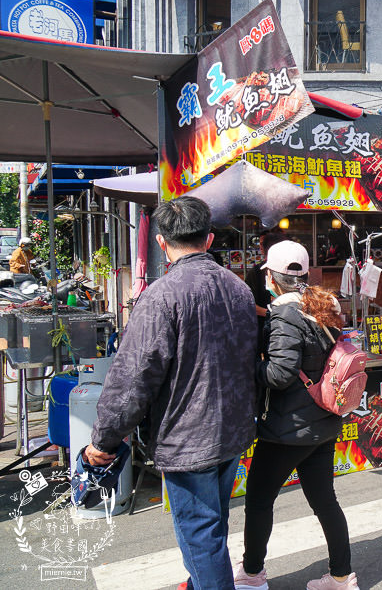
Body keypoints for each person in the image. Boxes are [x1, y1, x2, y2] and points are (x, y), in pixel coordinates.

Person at [84, 197, 257, 590]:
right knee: (212, 524)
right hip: (231, 429)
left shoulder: (162, 295)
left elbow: (132, 378)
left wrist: (104, 439)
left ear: (162, 243)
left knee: (201, 532)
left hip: (187, 437)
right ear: (208, 238)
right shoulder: (239, 289)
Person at [236, 240, 359, 590]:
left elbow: (280, 373)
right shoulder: (322, 305)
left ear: (271, 278)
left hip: (287, 429)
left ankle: (252, 574)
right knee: (325, 502)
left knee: (259, 501)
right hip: (323, 420)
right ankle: (341, 577)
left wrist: (247, 368)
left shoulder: (286, 313)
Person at [246, 230, 286, 351]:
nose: (260, 247)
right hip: (263, 331)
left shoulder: (290, 271)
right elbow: (249, 305)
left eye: (262, 244)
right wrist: (271, 313)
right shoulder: (256, 272)